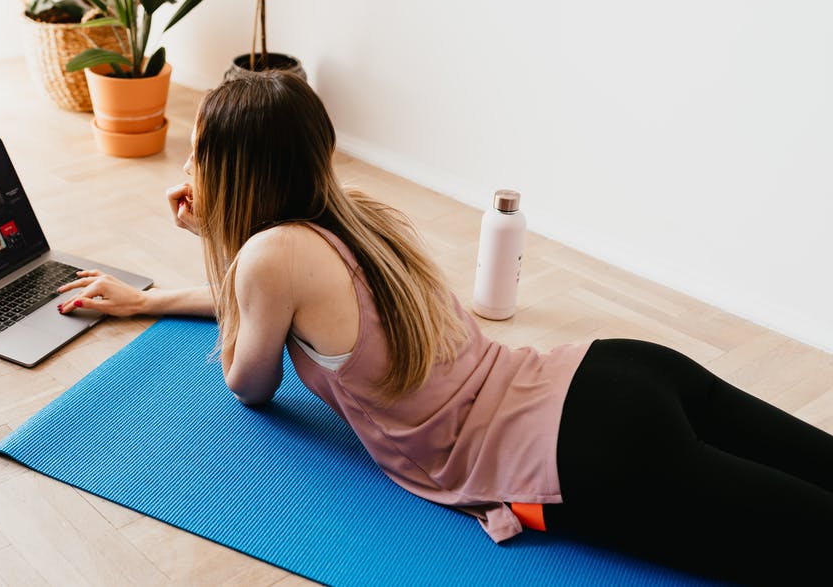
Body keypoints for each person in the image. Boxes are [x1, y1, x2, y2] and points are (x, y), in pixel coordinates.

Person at [53, 71, 833, 586]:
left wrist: (213, 239)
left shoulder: (265, 255)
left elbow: (247, 382)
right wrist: (149, 300)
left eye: (198, 158)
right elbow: (267, 305)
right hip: (618, 374)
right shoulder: (356, 218)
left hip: (583, 454)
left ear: (235, 173)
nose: (189, 173)